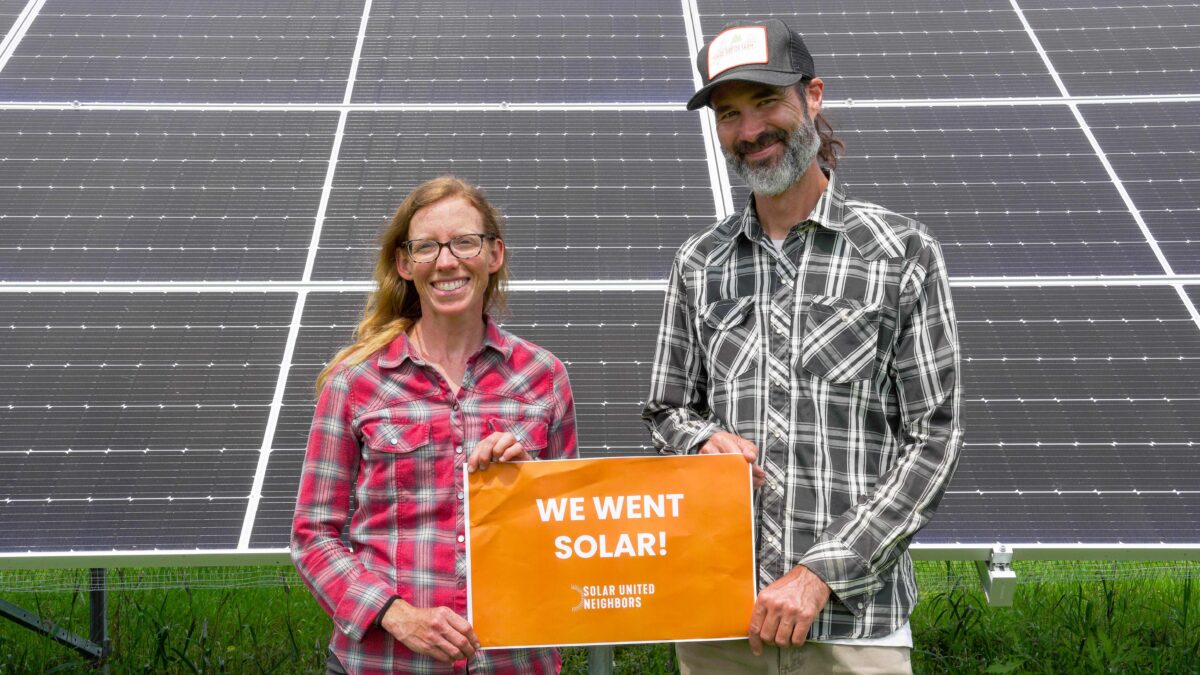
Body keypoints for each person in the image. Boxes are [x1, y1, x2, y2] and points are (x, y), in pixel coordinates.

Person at [642, 19, 962, 674]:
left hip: (854, 625)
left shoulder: (901, 252)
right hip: (720, 621)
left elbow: (934, 437)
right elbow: (666, 410)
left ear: (812, 97)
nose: (749, 130)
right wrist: (700, 440)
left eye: (765, 103)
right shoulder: (698, 263)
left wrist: (820, 573)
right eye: (729, 114)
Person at [292, 176, 577, 674]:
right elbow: (313, 535)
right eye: (427, 247)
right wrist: (394, 614)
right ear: (405, 264)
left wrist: (530, 481)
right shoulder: (355, 383)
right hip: (385, 663)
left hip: (512, 661)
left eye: (465, 242)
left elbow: (572, 533)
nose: (447, 262)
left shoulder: (543, 378)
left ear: (494, 255)